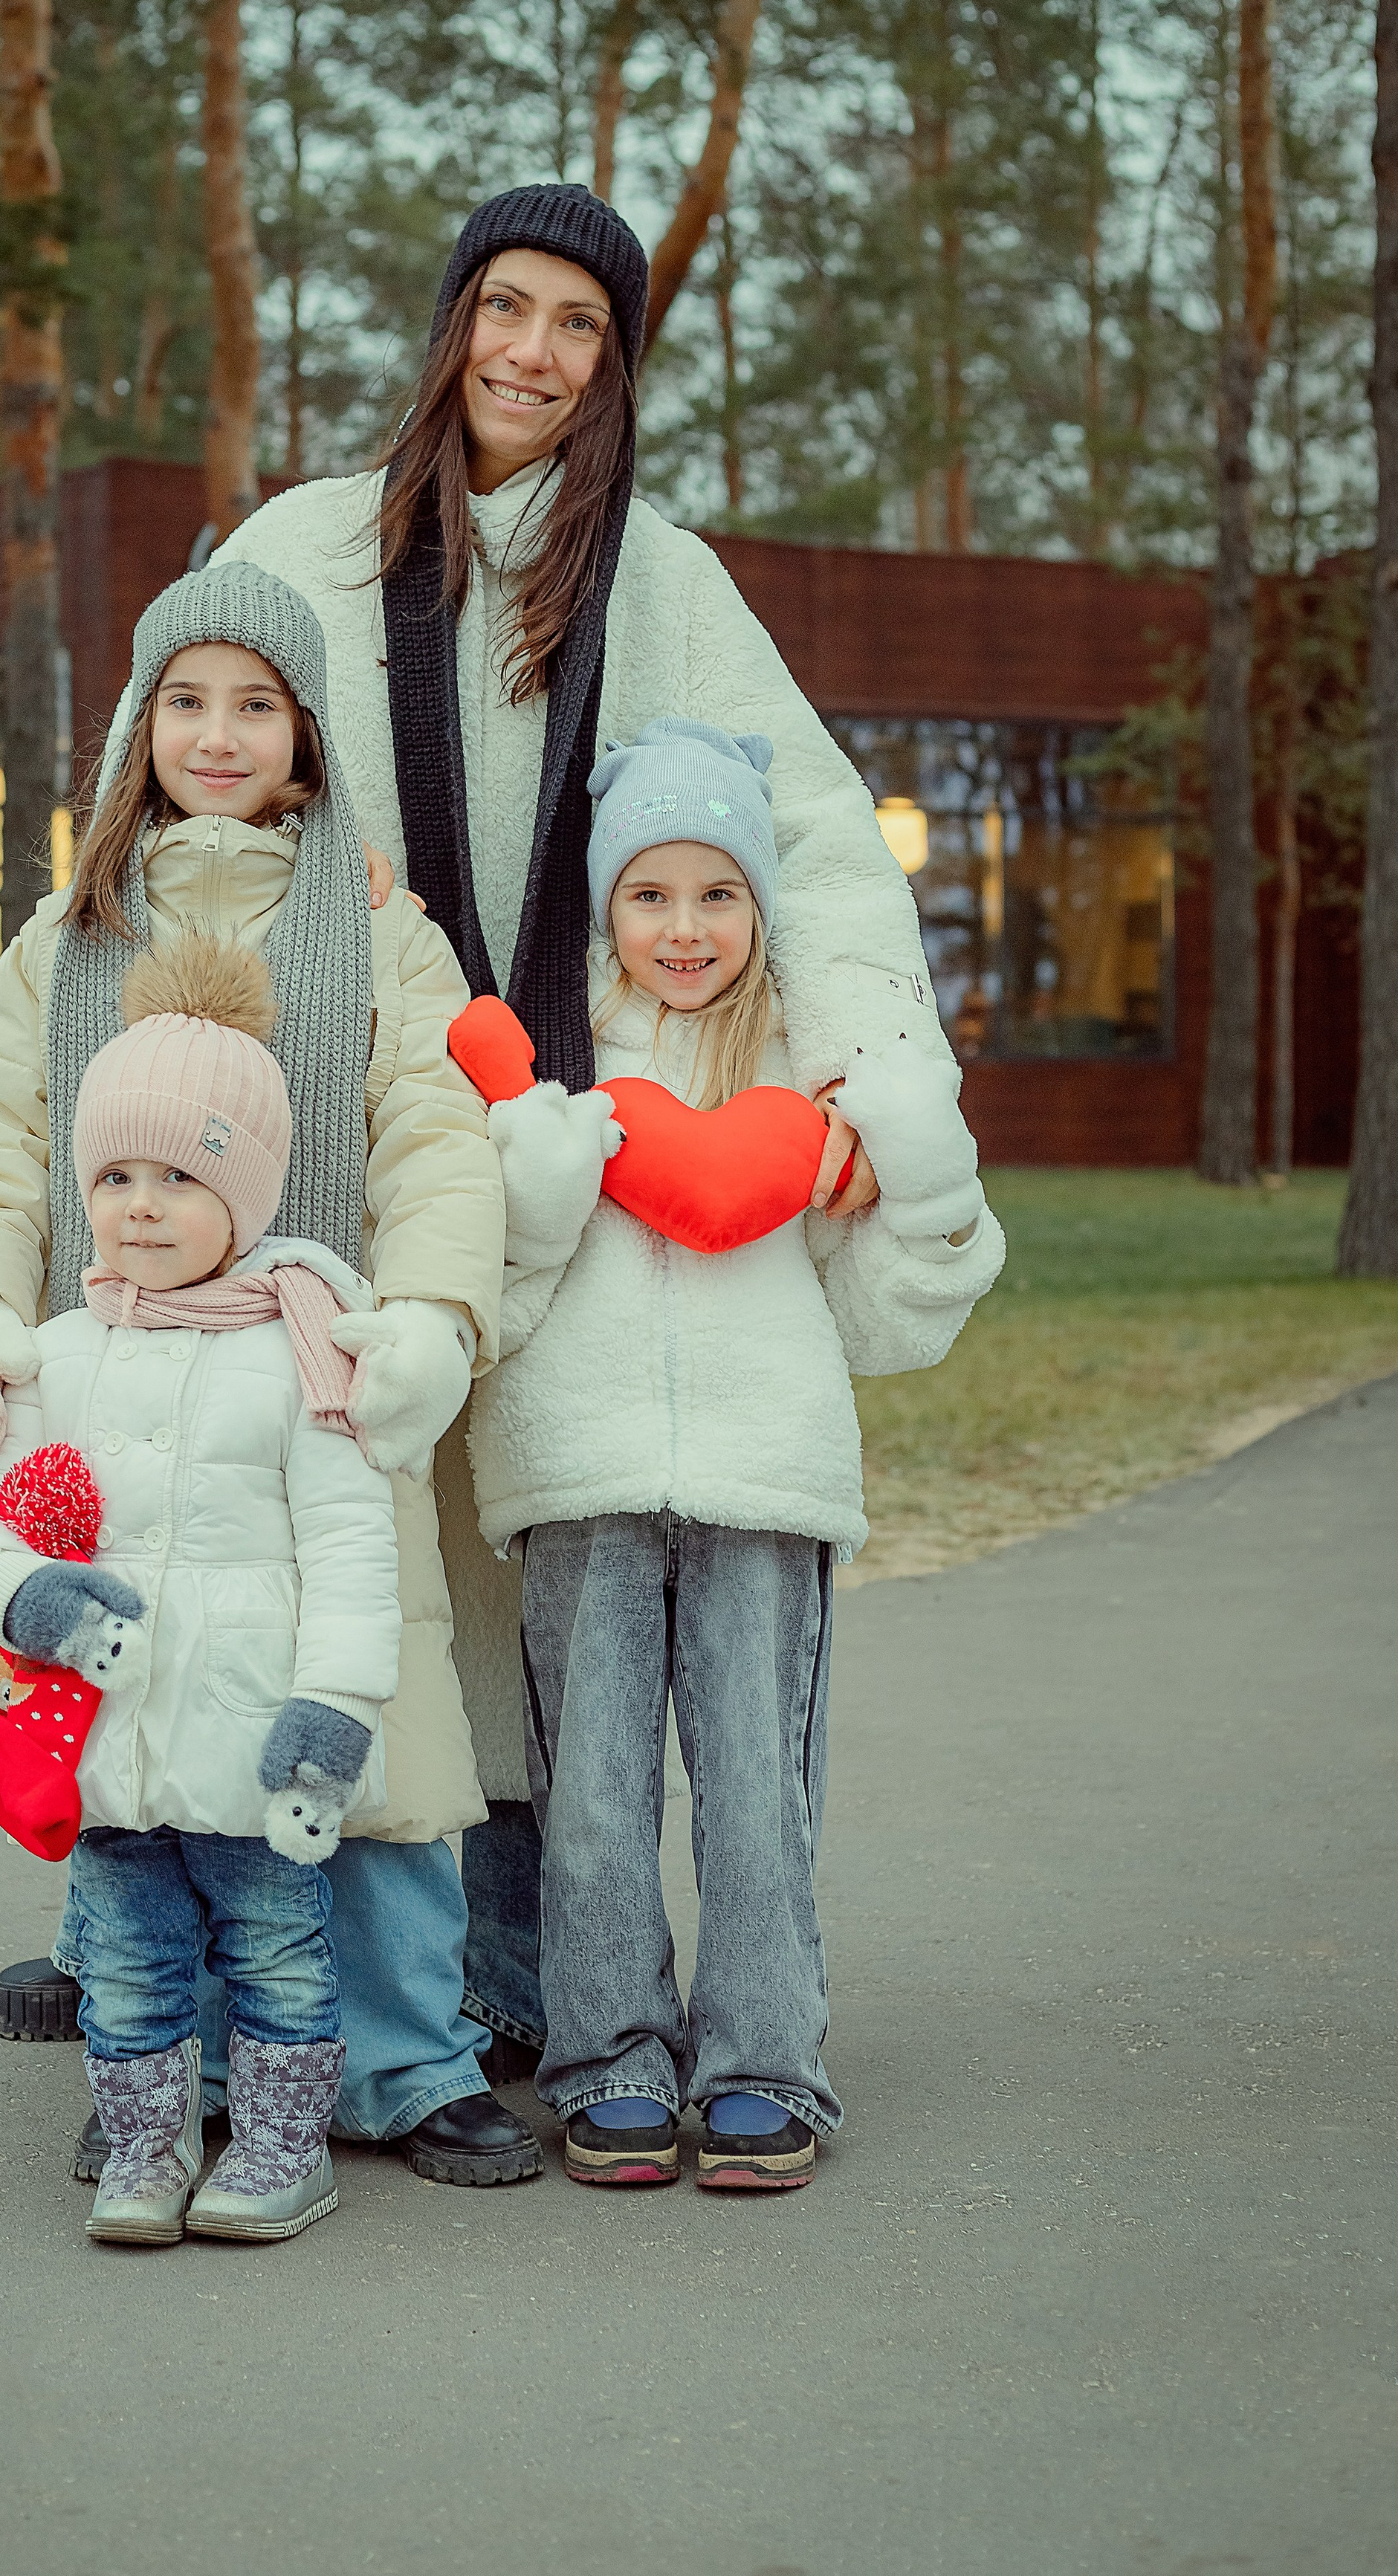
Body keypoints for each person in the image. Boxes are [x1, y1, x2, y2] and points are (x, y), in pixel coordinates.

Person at [204, 183, 945, 2052]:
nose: (530, 356)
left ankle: (519, 1964)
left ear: (612, 366)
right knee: (311, 1507)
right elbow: (189, 760)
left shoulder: (657, 578)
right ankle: (209, 1909)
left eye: (577, 330)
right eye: (504, 309)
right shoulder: (302, 547)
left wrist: (864, 1079)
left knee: (522, 1536)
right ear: (453, 315)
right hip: (350, 1100)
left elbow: (809, 835)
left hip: (566, 1125)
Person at [0, 563, 539, 2187]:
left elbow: (434, 1137)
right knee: (145, 1720)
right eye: (185, 700)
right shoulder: (72, 936)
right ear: (140, 726)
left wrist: (431, 1320)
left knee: (356, 1703)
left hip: (309, 1376)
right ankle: (163, 2064)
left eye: (254, 704)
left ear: (306, 740)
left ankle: (407, 2055)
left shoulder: (376, 930)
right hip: (119, 1385)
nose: (217, 732)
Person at [462, 719, 1005, 2186]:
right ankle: (607, 2058)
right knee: (587, 1797)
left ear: (759, 906)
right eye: (650, 893)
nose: (683, 927)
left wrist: (897, 1165)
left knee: (758, 1792)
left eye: (717, 894)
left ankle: (765, 2062)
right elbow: (490, 1274)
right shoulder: (557, 1059)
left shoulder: (815, 1074)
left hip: (768, 1472)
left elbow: (902, 1308)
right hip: (577, 1472)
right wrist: (546, 1160)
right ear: (605, 907)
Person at [0, 934, 404, 2245]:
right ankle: (144, 2149)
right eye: (114, 1175)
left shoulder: (298, 1358)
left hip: (256, 1735)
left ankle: (276, 2148)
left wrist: (336, 1703)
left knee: (275, 1948)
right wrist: (25, 1596)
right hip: (107, 1739)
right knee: (133, 1958)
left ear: (247, 1193)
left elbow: (352, 1545)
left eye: (180, 1177)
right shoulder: (53, 1357)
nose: (140, 1205)